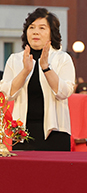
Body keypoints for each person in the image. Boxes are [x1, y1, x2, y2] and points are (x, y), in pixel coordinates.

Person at [0, 8, 75, 151]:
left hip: (56, 132)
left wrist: (46, 68)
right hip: (22, 134)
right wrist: (25, 71)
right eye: (32, 27)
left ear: (52, 33)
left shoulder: (62, 58)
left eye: (42, 28)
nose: (35, 32)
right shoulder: (15, 59)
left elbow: (64, 92)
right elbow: (7, 95)